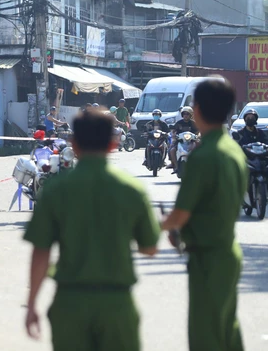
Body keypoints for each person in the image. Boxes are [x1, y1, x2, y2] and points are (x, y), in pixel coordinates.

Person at [24, 110, 159, 351]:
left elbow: (41, 252)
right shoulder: (132, 190)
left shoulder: (56, 190)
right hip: (117, 304)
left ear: (74, 144)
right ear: (113, 144)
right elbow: (149, 248)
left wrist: (32, 303)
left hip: (70, 302)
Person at [162, 79, 246, 351]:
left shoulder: (204, 155)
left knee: (206, 337)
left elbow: (181, 213)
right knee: (226, 331)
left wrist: (161, 227)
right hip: (227, 252)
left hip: (207, 259)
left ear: (196, 109)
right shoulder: (233, 150)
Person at [168, 106, 199, 171]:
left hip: (191, 141)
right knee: (172, 150)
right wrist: (173, 135)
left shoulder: (193, 123)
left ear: (191, 115)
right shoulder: (178, 123)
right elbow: (174, 131)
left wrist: (198, 136)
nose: (185, 115)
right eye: (184, 114)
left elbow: (198, 132)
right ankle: (175, 166)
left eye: (187, 114)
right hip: (180, 141)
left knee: (200, 149)